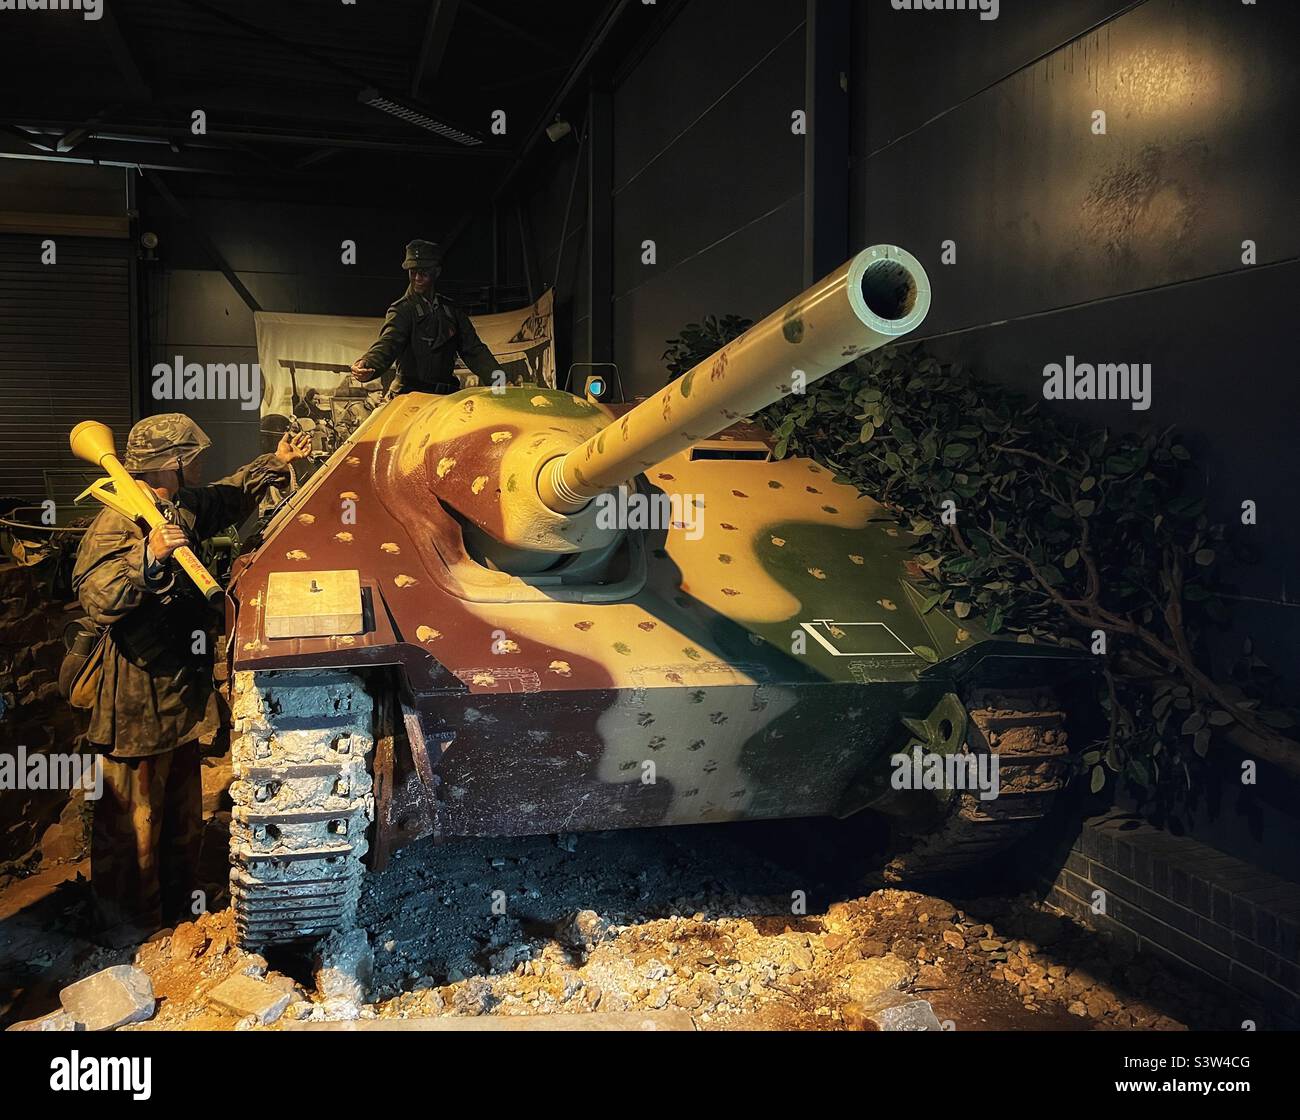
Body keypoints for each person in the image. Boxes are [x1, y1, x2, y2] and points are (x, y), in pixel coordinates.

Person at [71, 413, 311, 946]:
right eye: (193, 456)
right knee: (132, 812)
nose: (201, 463)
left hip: (178, 683)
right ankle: (129, 925)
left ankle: (178, 906)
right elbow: (95, 595)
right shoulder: (118, 519)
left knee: (179, 803)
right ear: (172, 464)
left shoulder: (175, 505)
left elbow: (225, 496)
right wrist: (148, 557)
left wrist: (278, 464)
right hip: (135, 688)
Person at [350, 239, 502, 395]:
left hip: (445, 397)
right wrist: (368, 363)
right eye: (413, 272)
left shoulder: (451, 310)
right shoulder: (403, 310)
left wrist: (500, 380)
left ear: (436, 271)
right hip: (409, 396)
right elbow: (388, 343)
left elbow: (474, 350)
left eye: (423, 273)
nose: (417, 278)